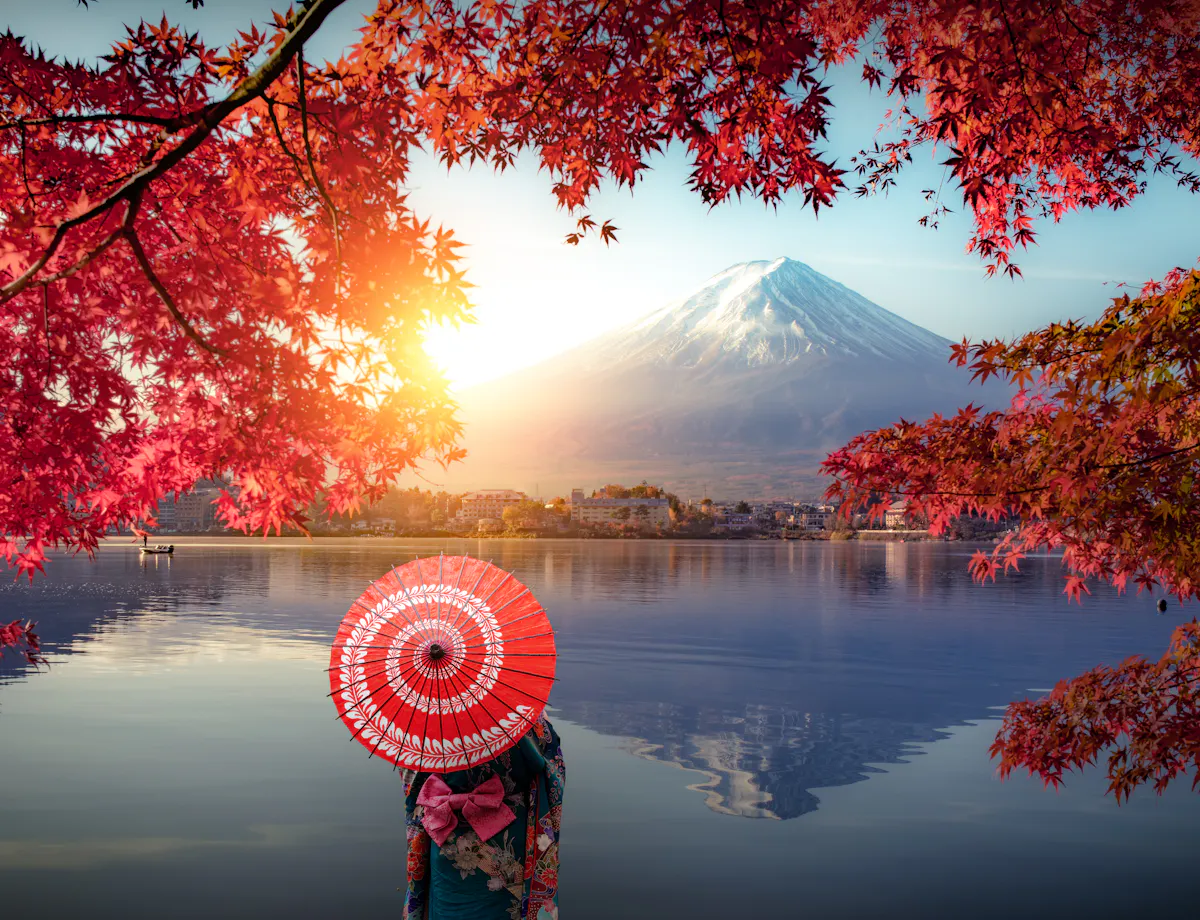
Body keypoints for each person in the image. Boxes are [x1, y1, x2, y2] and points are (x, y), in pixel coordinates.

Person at [401, 715, 564, 920]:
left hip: (445, 833)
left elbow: (412, 781)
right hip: (506, 836)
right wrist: (540, 723)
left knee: (447, 910)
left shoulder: (425, 716)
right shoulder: (518, 711)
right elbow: (549, 766)